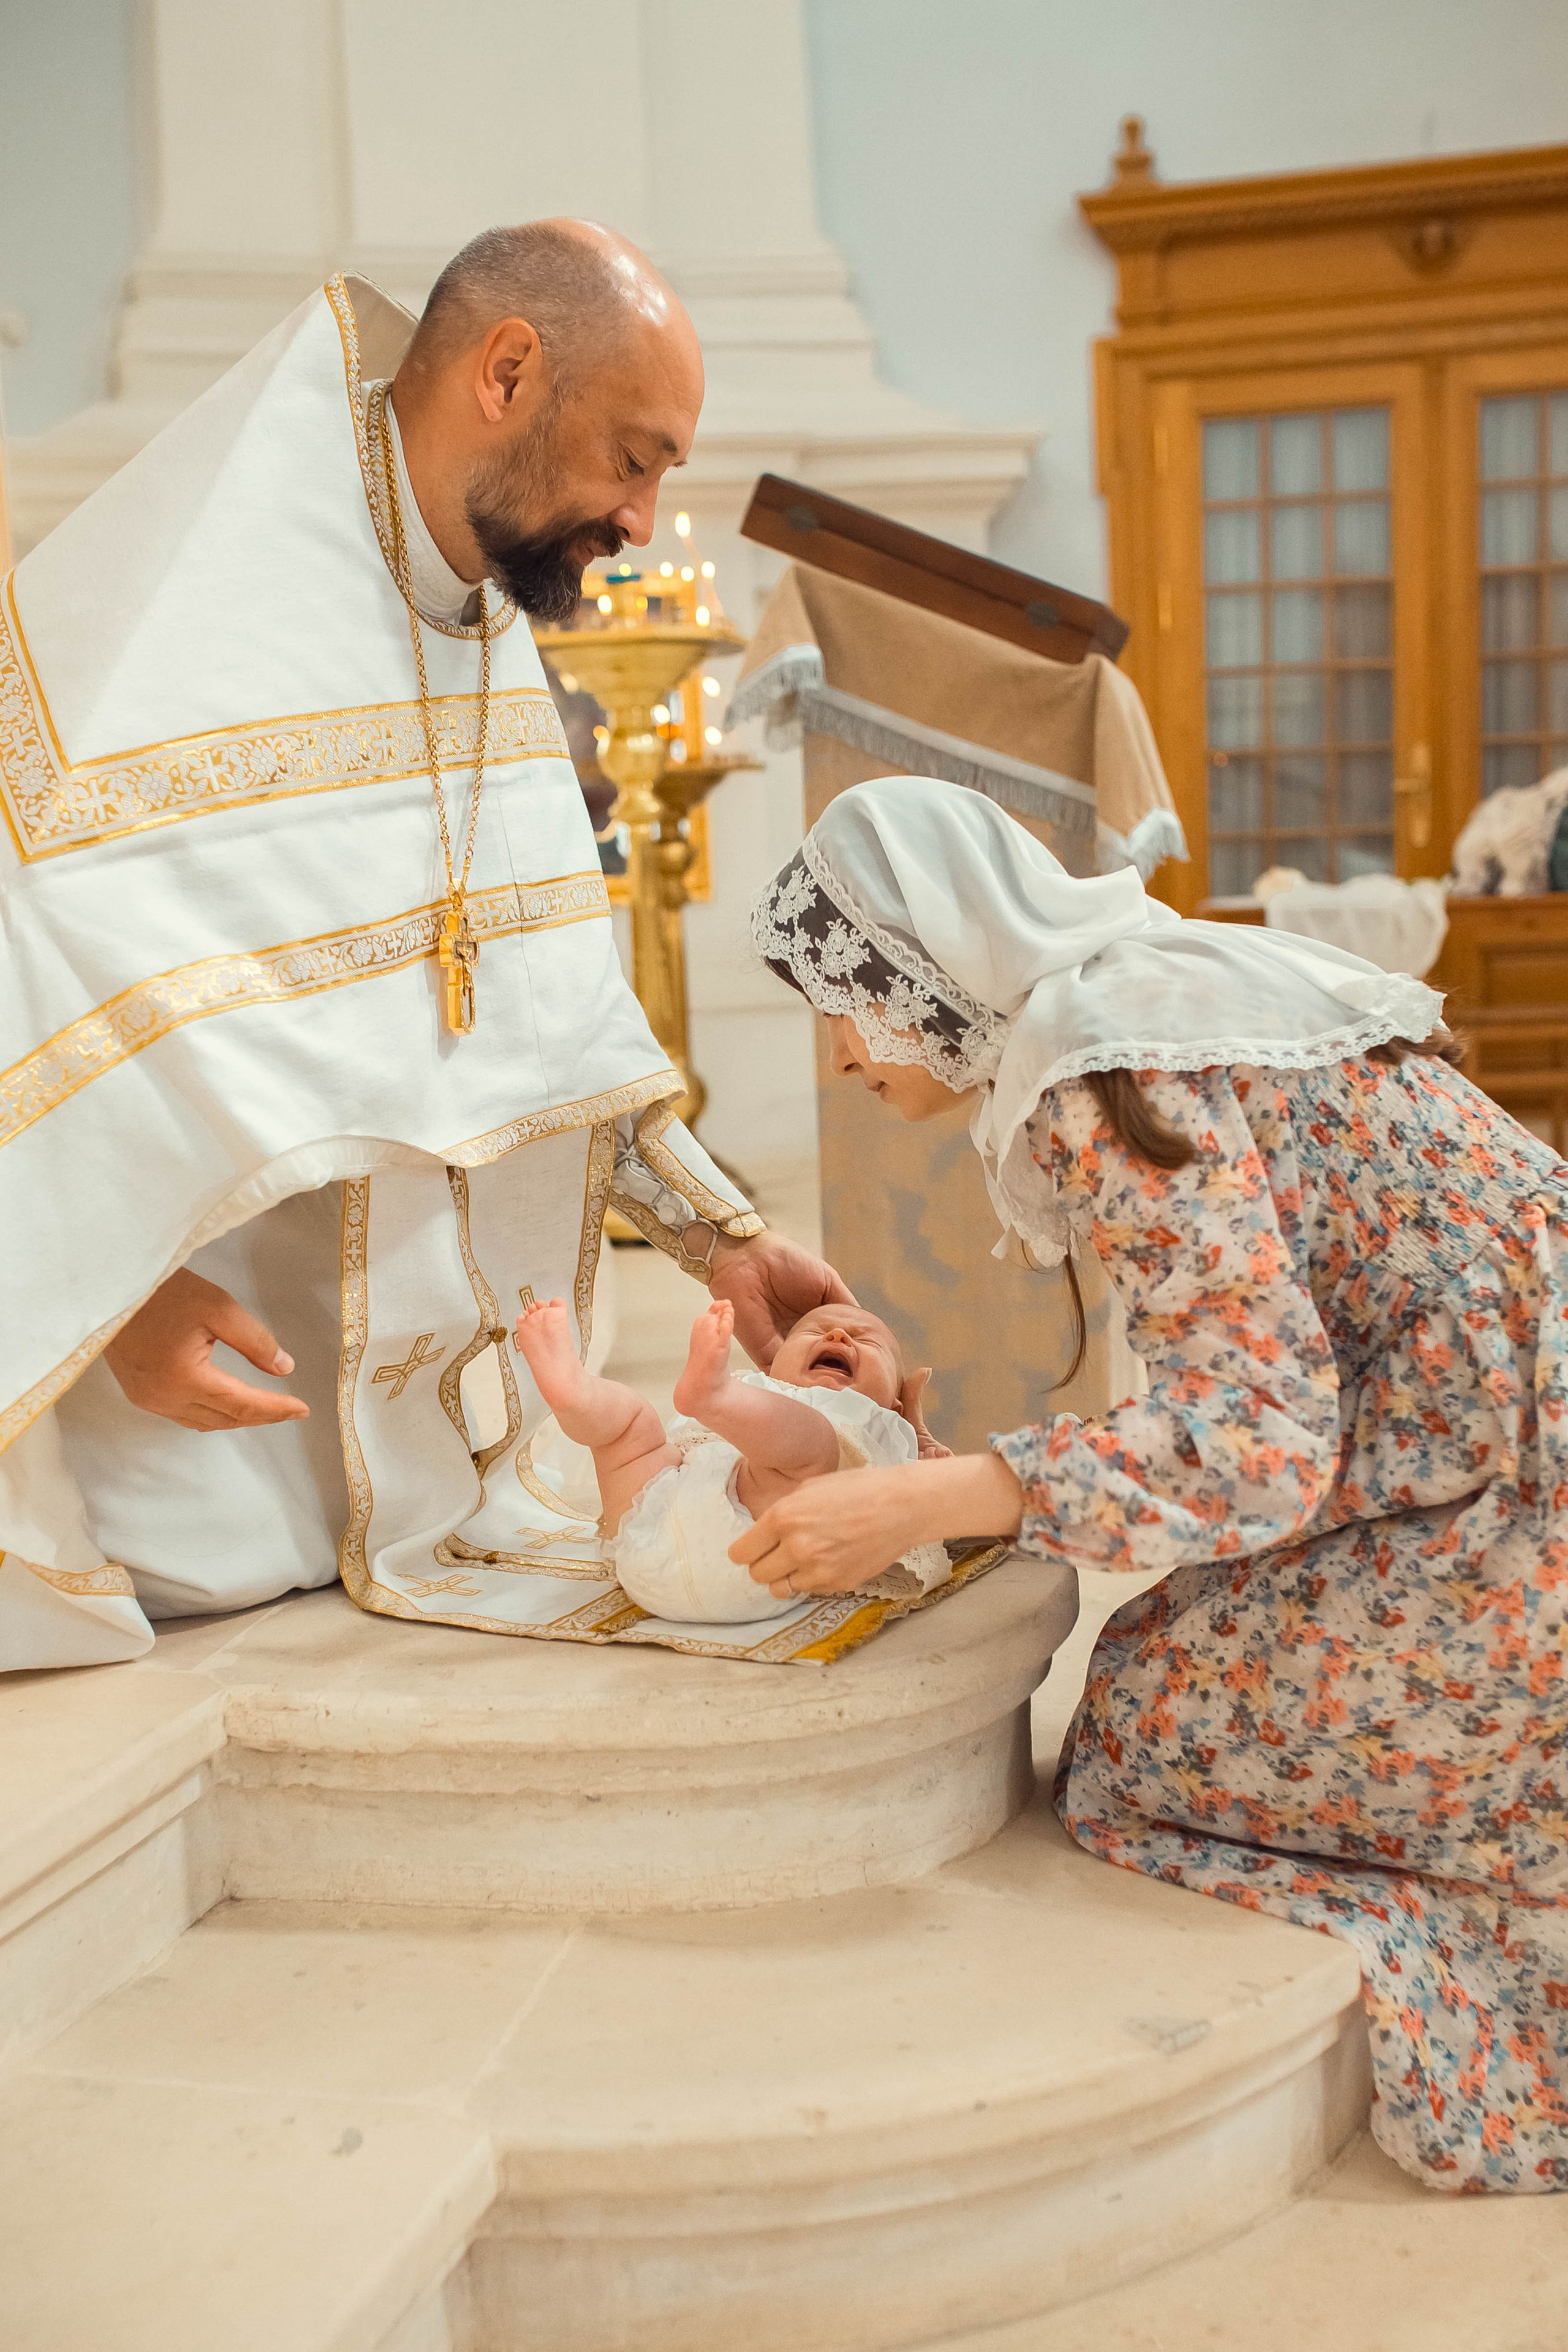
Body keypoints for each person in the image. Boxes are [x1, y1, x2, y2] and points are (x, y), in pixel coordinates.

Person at [0, 220, 846, 1672]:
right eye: (633, 459)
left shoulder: (471, 609)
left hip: (389, 1424)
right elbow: (33, 962)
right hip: (168, 1392)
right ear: (508, 371)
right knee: (206, 1555)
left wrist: (721, 1235)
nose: (643, 519)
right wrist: (113, 1303)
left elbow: (534, 992)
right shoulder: (206, 606)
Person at [741, 774, 1568, 2196]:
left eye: (843, 998)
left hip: (1514, 1510)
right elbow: (1262, 1374)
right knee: (1166, 1653)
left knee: (1129, 1734)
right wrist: (930, 1452)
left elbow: (1249, 1442)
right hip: (1486, 1449)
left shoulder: (1100, 1058)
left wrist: (908, 1503)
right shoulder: (1161, 983)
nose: (836, 1056)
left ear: (927, 961)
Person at [515, 1292, 949, 1625]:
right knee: (633, 1428)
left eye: (865, 1340)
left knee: (815, 1447)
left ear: (894, 1404)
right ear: (770, 1369)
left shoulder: (882, 1426)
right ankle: (574, 1391)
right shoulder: (759, 1392)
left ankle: (707, 1398)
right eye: (814, 1332)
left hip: (765, 1550)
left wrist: (928, 1462)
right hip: (649, 1527)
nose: (837, 1337)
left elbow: (921, 1505)